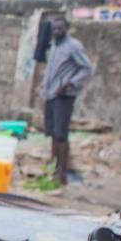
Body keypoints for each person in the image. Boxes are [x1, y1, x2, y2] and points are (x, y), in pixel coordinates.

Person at [40, 15, 93, 185]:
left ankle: (62, 174)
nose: (57, 31)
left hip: (63, 96)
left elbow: (86, 69)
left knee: (61, 135)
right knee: (53, 134)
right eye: (54, 28)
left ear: (66, 29)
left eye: (60, 28)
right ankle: (53, 169)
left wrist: (69, 84)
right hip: (50, 94)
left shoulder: (74, 46)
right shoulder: (54, 46)